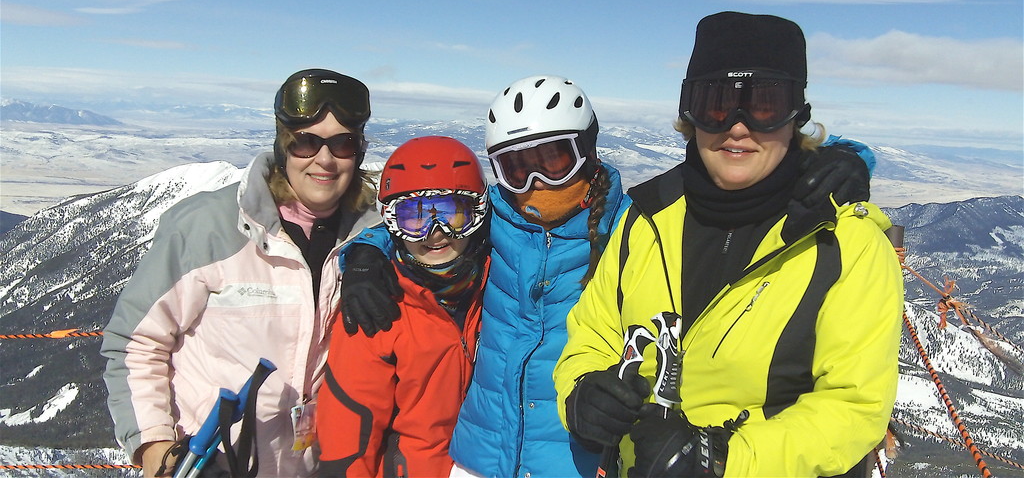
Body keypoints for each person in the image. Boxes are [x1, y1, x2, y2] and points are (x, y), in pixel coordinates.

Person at [340, 73, 874, 478]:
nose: (534, 183)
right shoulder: (492, 220)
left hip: (574, 459)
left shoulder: (630, 228)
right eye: (514, 166)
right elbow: (425, 221)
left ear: (588, 153)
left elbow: (725, 205)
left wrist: (846, 159)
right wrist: (365, 252)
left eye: (555, 159)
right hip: (478, 457)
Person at [553, 12, 904, 478]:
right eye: (716, 104)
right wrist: (581, 395)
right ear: (689, 115)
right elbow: (593, 336)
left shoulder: (844, 245)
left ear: (796, 116)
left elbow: (854, 407)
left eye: (764, 105)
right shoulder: (646, 219)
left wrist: (724, 461)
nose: (738, 127)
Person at [101, 69, 381, 478]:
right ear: (283, 145)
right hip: (210, 463)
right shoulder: (209, 228)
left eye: (343, 143)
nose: (325, 159)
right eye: (306, 142)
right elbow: (135, 343)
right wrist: (158, 451)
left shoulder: (371, 239)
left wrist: (378, 251)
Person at [317, 136, 490, 477]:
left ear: (478, 214)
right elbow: (349, 434)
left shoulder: (499, 284)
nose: (435, 234)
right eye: (415, 218)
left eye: (453, 214)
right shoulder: (377, 307)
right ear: (392, 224)